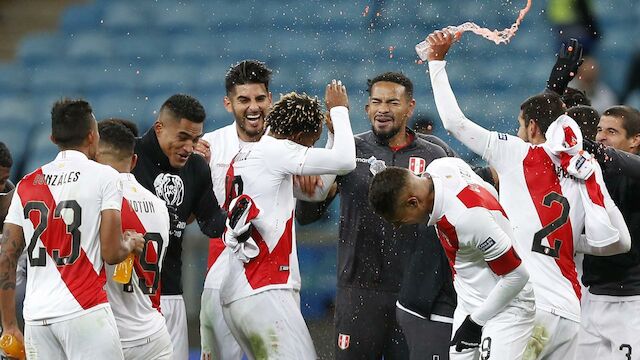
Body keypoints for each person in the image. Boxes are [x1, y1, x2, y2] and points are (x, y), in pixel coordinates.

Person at [424, 30, 631, 359]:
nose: (518, 133)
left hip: (531, 311)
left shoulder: (519, 154)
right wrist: (575, 240)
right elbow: (620, 242)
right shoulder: (585, 172)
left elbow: (454, 121)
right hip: (571, 313)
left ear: (533, 128)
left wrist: (436, 63)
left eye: (521, 126)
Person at [296, 72, 456, 360]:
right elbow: (306, 216)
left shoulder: (437, 155)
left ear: (410, 107)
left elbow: (455, 216)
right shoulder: (349, 152)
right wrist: (317, 188)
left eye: (393, 102)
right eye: (376, 102)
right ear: (367, 109)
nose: (383, 108)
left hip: (416, 295)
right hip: (359, 292)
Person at [0, 99, 145, 359]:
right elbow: (112, 253)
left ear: (53, 137)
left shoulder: (27, 184)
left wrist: (10, 325)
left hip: (36, 319)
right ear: (92, 136)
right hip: (85, 310)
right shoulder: (105, 177)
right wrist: (131, 244)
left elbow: (6, 257)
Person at [220, 81, 356, 359]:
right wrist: (340, 111)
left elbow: (317, 191)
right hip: (265, 288)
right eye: (311, 142)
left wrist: (331, 137)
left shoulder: (250, 155)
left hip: (240, 293)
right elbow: (346, 161)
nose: (310, 150)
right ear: (297, 136)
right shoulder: (277, 152)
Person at [369, 159, 536, 359]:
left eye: (398, 220)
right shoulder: (442, 166)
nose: (398, 226)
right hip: (469, 304)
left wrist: (476, 322)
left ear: (413, 202)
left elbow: (517, 276)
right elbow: (488, 189)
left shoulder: (466, 218)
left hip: (507, 308)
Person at [131, 94, 227, 360]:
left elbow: (210, 222)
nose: (189, 147)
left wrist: (234, 218)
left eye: (195, 139)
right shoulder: (128, 156)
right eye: (183, 136)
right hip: (125, 294)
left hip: (170, 293)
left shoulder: (196, 167)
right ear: (159, 127)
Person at [195, 59, 272, 360]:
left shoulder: (288, 146)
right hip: (221, 273)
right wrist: (193, 174)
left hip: (272, 276)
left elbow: (310, 207)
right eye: (243, 100)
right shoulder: (210, 146)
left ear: (270, 99)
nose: (253, 107)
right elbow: (190, 216)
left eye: (259, 98)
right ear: (228, 103)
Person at [96, 120, 173, 360]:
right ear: (134, 161)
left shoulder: (99, 201)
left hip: (112, 336)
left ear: (94, 157)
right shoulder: (161, 206)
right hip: (154, 331)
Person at [577, 106, 640, 360]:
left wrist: (593, 148)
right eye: (599, 130)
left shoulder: (633, 171)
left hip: (632, 303)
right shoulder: (591, 174)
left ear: (636, 140)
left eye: (612, 131)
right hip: (591, 300)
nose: (601, 136)